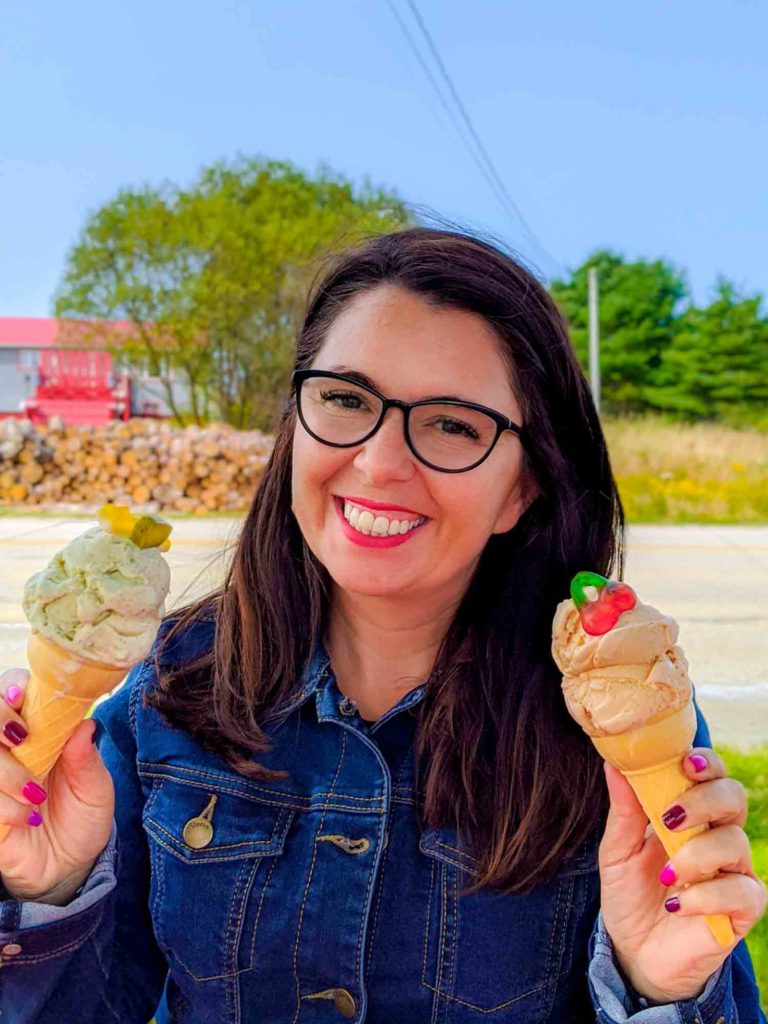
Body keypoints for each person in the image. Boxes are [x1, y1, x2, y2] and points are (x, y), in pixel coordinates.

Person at [0, 228, 764, 1023]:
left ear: (521, 489)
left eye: (452, 425)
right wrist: (45, 893)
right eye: (345, 399)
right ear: (296, 421)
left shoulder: (616, 730)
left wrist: (659, 991)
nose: (379, 461)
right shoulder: (168, 692)